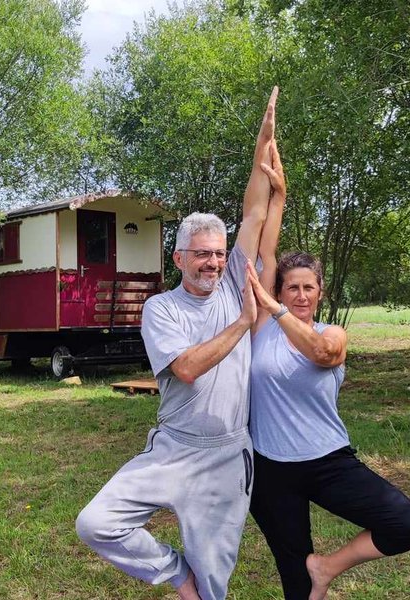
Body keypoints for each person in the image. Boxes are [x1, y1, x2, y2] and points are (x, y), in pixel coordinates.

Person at [75, 87, 279, 600]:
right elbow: (186, 368)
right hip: (173, 448)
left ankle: (199, 585)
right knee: (96, 523)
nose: (214, 262)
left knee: (214, 585)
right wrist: (242, 324)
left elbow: (254, 215)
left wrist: (263, 142)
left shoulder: (232, 284)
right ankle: (175, 574)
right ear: (179, 258)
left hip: (227, 455)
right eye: (202, 254)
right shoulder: (160, 308)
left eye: (219, 253)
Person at [245, 142, 410, 600]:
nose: (300, 295)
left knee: (407, 523)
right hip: (270, 469)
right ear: (280, 290)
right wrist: (279, 195)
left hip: (327, 461)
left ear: (320, 292)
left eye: (308, 287)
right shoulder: (263, 325)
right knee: (294, 580)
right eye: (291, 287)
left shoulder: (331, 334)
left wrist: (277, 310)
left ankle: (327, 566)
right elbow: (266, 249)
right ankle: (309, 577)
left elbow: (323, 355)